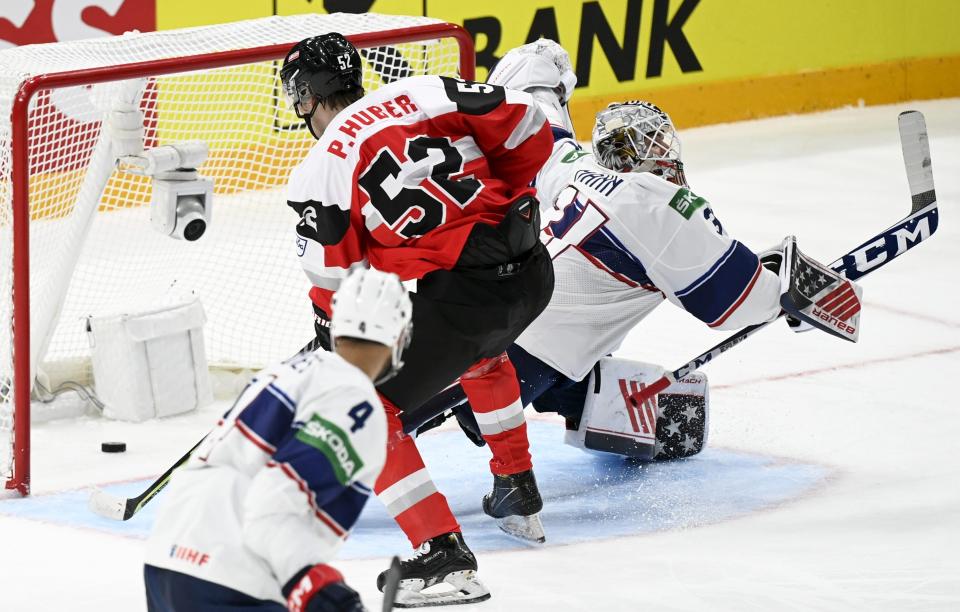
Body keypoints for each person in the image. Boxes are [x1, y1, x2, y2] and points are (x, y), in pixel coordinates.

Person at [405, 40, 862, 474]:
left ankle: (586, 406)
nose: (665, 156)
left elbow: (534, 104)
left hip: (490, 312)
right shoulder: (663, 208)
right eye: (657, 145)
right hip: (514, 346)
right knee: (379, 415)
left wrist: (548, 72)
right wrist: (803, 294)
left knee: (394, 394)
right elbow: (733, 304)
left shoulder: (573, 167)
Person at [279, 33, 556, 605]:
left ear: (306, 97)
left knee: (359, 405)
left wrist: (332, 340)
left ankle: (443, 555)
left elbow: (338, 286)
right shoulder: (425, 91)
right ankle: (517, 490)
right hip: (532, 269)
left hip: (468, 295)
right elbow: (532, 125)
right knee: (481, 352)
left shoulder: (320, 169)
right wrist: (499, 204)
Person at [143, 267, 414, 611]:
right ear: (399, 337)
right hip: (231, 577)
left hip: (166, 557)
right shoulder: (355, 402)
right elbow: (272, 508)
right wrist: (330, 598)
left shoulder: (283, 372)